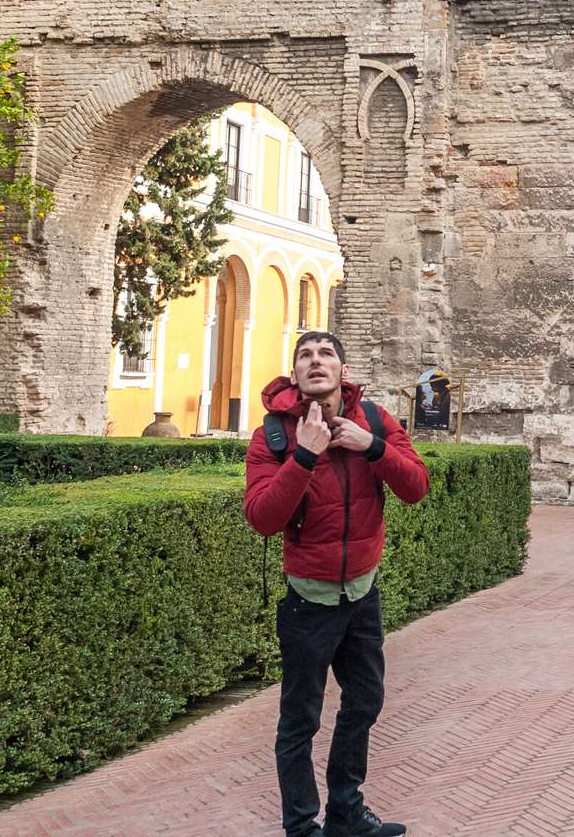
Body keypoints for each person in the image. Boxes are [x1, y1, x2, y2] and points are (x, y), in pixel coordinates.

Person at [245, 331, 430, 837]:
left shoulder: (373, 421)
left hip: (363, 595)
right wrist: (303, 457)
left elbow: (415, 486)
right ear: (296, 374)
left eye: (326, 353)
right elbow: (262, 518)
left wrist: (372, 448)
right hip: (309, 601)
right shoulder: (273, 437)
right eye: (305, 355)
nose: (315, 360)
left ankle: (346, 812)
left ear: (342, 371)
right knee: (299, 723)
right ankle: (303, 828)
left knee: (365, 701)